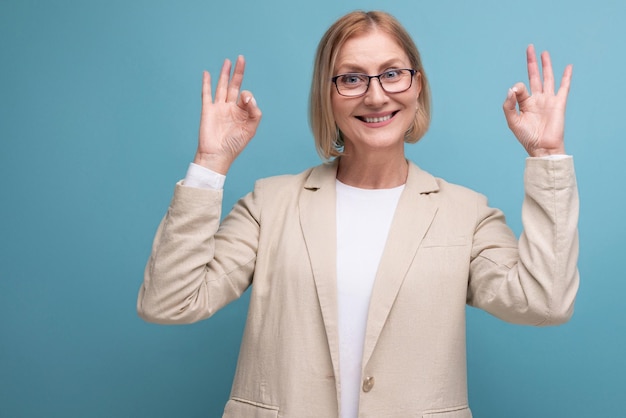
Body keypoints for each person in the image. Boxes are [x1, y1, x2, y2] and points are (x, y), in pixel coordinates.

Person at [137, 10, 579, 418]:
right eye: (351, 78)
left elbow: (545, 302)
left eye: (392, 74)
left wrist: (548, 157)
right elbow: (170, 302)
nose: (375, 95)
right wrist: (209, 164)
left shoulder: (465, 213)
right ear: (327, 95)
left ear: (417, 85)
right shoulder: (269, 204)